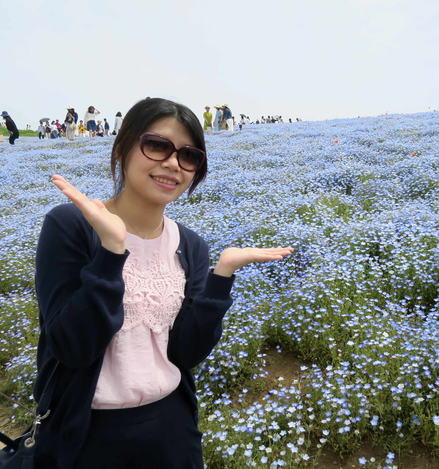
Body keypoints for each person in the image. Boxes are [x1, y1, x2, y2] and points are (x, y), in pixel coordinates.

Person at [33, 97, 293, 468]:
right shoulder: (71, 227)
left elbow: (185, 354)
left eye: (189, 156)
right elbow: (73, 347)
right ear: (122, 148)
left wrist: (221, 277)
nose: (173, 164)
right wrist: (111, 250)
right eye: (157, 145)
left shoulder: (190, 245)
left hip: (172, 427)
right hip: (86, 432)